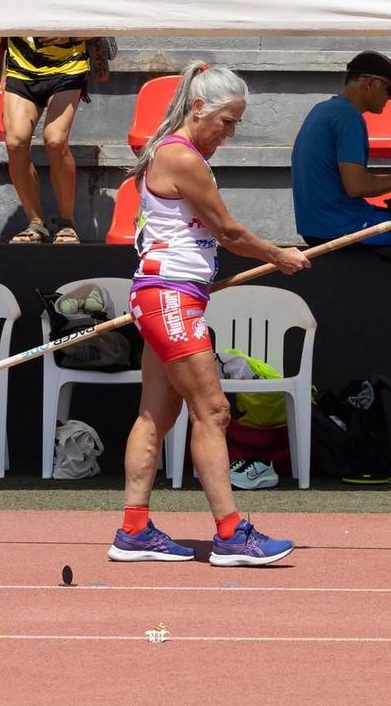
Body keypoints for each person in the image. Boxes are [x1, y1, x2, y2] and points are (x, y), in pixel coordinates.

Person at [112, 61, 308, 566]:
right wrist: (279, 256)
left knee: (157, 414)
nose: (230, 133)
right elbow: (229, 231)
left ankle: (133, 530)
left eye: (237, 123)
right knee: (214, 411)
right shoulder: (182, 157)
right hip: (169, 297)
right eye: (226, 121)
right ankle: (230, 534)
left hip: (170, 294)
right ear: (198, 108)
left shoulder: (178, 153)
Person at [289, 51, 391, 246]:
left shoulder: (322, 110)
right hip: (342, 227)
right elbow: (357, 186)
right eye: (390, 89)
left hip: (318, 227)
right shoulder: (348, 117)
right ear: (370, 84)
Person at [0, 35, 90, 243]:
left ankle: (66, 222)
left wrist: (69, 35)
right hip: (20, 68)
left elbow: (100, 20)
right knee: (15, 142)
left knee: (55, 140)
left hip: (69, 67)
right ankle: (35, 222)